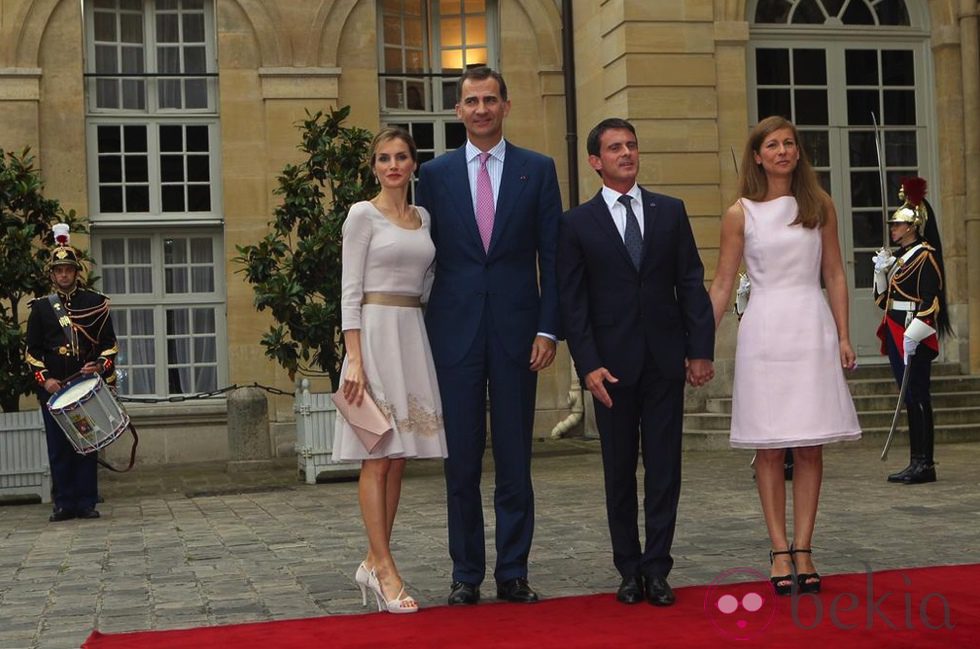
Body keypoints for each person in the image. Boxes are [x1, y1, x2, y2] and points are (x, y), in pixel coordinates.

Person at [414, 66, 561, 605]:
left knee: (515, 459)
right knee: (461, 462)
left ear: (506, 105)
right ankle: (465, 574)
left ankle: (514, 571)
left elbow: (554, 257)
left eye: (490, 100)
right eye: (471, 101)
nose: (481, 109)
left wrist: (549, 327)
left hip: (520, 335)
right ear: (459, 110)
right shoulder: (434, 174)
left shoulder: (538, 170)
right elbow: (422, 257)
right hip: (453, 335)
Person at [557, 118, 715, 607]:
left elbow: (690, 281)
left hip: (666, 361)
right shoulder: (576, 223)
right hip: (611, 369)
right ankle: (628, 568)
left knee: (665, 469)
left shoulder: (670, 211)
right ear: (595, 162)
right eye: (615, 148)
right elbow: (574, 302)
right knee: (619, 471)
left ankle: (658, 568)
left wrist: (700, 349)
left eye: (631, 145)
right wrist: (588, 365)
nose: (626, 153)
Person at [707, 116, 861, 596]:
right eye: (771, 145)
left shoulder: (819, 205)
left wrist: (843, 334)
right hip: (765, 333)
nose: (782, 151)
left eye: (789, 143)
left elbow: (835, 273)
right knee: (770, 446)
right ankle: (778, 549)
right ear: (757, 155)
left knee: (810, 444)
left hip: (811, 326)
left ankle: (805, 547)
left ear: (798, 151)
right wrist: (697, 343)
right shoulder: (740, 213)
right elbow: (722, 282)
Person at [332, 127, 448, 614]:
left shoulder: (423, 218)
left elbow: (425, 284)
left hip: (410, 336)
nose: (393, 165)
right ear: (374, 166)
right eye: (384, 158)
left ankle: (372, 560)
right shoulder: (361, 215)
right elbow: (349, 290)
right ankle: (385, 567)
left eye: (401, 156)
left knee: (398, 456)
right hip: (373, 340)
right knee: (375, 455)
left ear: (413, 164)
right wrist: (354, 358)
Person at [25, 226, 117, 522]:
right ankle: (63, 503)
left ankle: (86, 501)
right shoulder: (41, 308)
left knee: (87, 446)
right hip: (56, 387)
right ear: (51, 275)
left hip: (84, 385)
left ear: (77, 272)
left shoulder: (94, 303)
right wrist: (45, 381)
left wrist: (100, 366)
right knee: (59, 448)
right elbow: (31, 352)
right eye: (58, 271)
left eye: (68, 270)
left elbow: (109, 346)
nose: (63, 275)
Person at [873, 177, 952, 484]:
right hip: (895, 329)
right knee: (909, 395)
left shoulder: (925, 256)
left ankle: (924, 462)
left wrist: (914, 334)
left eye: (897, 225)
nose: (892, 229)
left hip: (912, 331)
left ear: (911, 227)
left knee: (918, 394)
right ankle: (915, 460)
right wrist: (881, 274)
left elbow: (931, 302)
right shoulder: (902, 259)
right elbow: (884, 301)